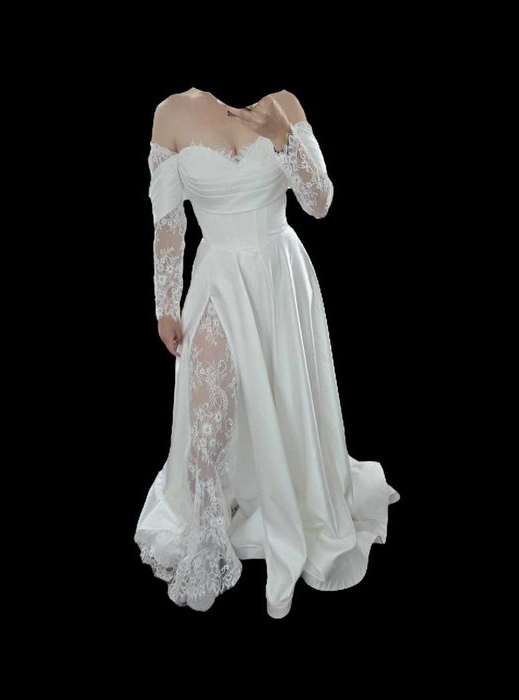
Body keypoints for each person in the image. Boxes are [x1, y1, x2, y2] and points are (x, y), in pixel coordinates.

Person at [134, 87, 400, 619]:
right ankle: (208, 539)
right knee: (208, 424)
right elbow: (168, 223)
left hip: (280, 279)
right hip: (218, 280)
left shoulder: (283, 104)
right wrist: (166, 305)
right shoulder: (171, 113)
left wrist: (283, 138)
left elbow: (320, 202)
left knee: (283, 401)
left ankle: (288, 497)